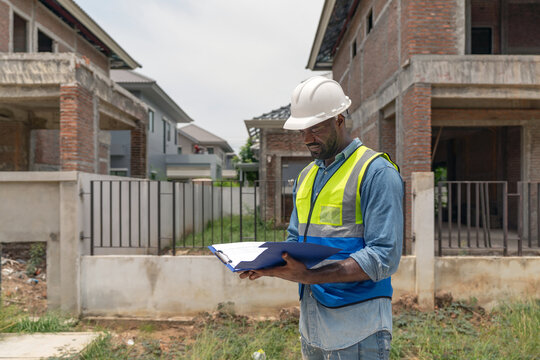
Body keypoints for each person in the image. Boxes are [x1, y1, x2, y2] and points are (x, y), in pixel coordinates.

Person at [240, 76, 403, 360]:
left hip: (358, 327)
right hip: (312, 322)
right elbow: (294, 242)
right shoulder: (306, 177)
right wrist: (266, 265)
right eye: (302, 129)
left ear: (339, 119)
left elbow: (384, 256)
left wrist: (310, 276)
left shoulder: (376, 172)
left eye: (314, 128)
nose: (306, 138)